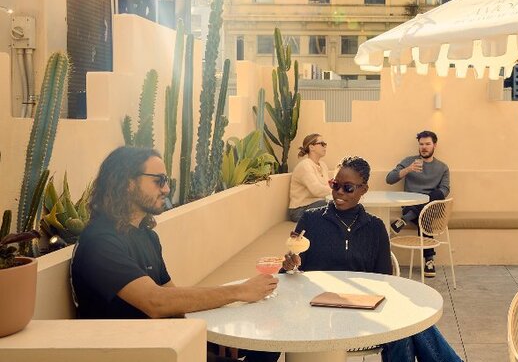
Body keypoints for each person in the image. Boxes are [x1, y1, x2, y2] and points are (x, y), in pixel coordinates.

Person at [71, 146, 280, 362]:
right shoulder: (101, 242)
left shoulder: (147, 236)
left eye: (166, 180)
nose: (166, 189)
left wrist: (226, 327)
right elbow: (156, 302)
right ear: (127, 183)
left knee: (268, 339)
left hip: (166, 340)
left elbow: (172, 297)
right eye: (159, 180)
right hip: (135, 352)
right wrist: (239, 291)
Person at [285, 156, 462, 362]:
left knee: (405, 323)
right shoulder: (311, 220)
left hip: (361, 310)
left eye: (348, 188)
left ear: (364, 190)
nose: (339, 192)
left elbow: (385, 282)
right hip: (318, 311)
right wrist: (290, 265)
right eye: (335, 185)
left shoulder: (375, 228)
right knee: (403, 327)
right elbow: (291, 272)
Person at [385, 130, 450, 278]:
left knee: (435, 196)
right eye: (421, 144)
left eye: (428, 144)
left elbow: (445, 189)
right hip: (411, 205)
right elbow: (389, 179)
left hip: (431, 206)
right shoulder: (410, 161)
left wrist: (428, 199)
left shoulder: (442, 167)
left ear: (435, 145)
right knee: (425, 217)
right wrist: (408, 170)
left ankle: (407, 218)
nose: (424, 147)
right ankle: (429, 260)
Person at [288, 133, 334, 221]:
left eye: (325, 144)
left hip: (318, 204)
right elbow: (316, 190)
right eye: (322, 144)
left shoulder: (323, 165)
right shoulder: (305, 166)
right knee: (332, 205)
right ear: (311, 147)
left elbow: (328, 186)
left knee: (340, 204)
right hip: (299, 210)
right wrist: (335, 191)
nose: (325, 147)